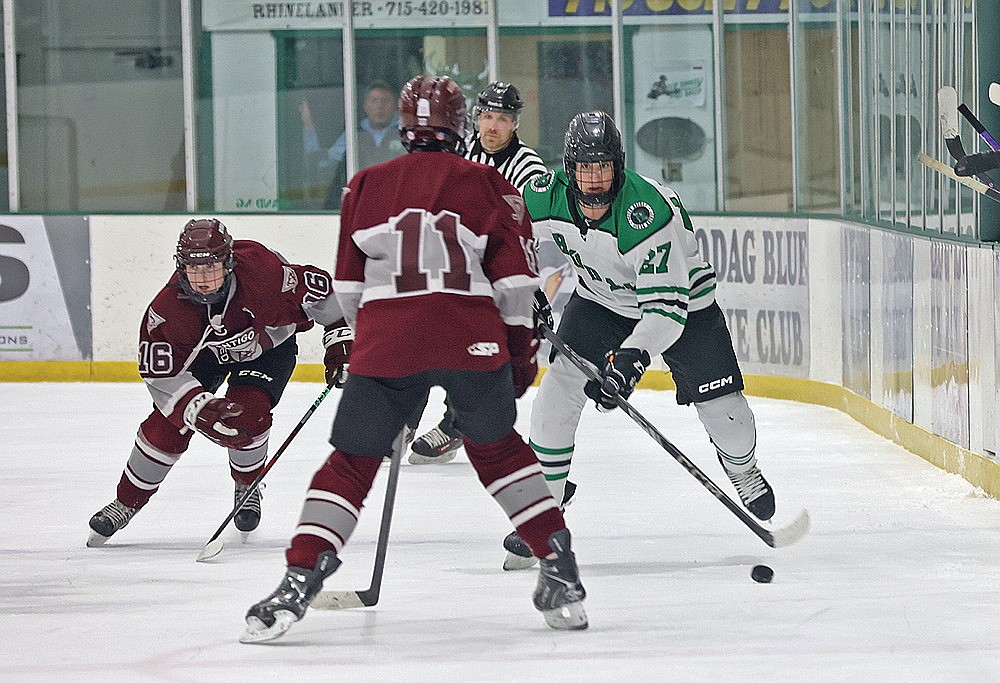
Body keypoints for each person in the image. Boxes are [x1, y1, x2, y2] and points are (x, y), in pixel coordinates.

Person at [240, 75, 587, 644]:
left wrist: (377, 351)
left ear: (405, 128)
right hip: (470, 337)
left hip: (388, 345)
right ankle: (559, 570)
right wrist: (517, 356)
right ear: (458, 126)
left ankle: (300, 576)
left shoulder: (362, 187)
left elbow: (348, 294)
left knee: (350, 463)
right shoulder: (491, 185)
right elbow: (516, 286)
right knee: (498, 450)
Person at [501, 111, 775, 570]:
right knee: (557, 391)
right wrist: (519, 290)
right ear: (569, 170)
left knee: (726, 414)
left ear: (619, 167)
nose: (593, 182)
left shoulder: (646, 212)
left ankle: (743, 468)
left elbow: (665, 311)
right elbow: (503, 234)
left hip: (686, 304)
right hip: (599, 301)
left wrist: (631, 359)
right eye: (585, 170)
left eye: (603, 169)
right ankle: (544, 509)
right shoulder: (546, 195)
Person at [86, 218, 352, 547]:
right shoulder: (168, 311)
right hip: (207, 357)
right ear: (181, 268)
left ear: (229, 263)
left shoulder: (264, 273)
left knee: (249, 416)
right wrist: (198, 409)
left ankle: (247, 486)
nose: (203, 281)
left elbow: (323, 292)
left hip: (267, 349)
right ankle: (125, 502)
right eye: (194, 271)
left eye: (211, 269)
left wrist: (341, 341)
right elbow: (162, 374)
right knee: (167, 426)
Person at [408, 81, 550, 466]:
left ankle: (456, 426)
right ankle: (403, 415)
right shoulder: (461, 152)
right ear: (475, 119)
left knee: (478, 348)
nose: (493, 126)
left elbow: (524, 234)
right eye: (487, 116)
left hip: (499, 271)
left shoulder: (529, 169)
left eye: (502, 119)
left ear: (515, 123)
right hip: (454, 267)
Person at [299, 81, 405, 208]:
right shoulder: (353, 135)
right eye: (374, 100)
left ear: (396, 106)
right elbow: (325, 161)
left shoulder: (404, 134)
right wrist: (308, 126)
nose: (379, 106)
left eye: (385, 101)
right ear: (365, 106)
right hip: (361, 204)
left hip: (396, 203)